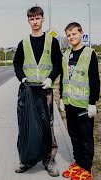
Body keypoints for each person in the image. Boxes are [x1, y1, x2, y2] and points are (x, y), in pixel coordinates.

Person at [13, 6, 62, 177]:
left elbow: (58, 64)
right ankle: (26, 160)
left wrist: (51, 78)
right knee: (26, 125)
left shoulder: (52, 42)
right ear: (28, 21)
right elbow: (17, 64)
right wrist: (22, 78)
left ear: (42, 19)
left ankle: (48, 160)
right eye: (31, 19)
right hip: (27, 91)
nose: (34, 21)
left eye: (37, 18)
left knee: (47, 126)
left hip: (45, 90)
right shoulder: (23, 43)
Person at [59, 22, 100, 180]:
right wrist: (62, 98)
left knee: (85, 137)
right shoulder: (66, 55)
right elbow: (64, 78)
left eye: (74, 34)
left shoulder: (89, 53)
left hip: (84, 105)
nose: (71, 37)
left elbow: (94, 80)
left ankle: (86, 168)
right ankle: (78, 163)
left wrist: (92, 102)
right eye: (68, 35)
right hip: (70, 103)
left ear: (81, 33)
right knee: (73, 135)